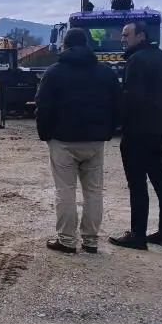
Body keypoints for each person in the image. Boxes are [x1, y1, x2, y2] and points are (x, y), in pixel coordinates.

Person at [35, 28, 121, 254]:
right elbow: (117, 105)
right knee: (94, 191)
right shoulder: (105, 73)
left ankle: (66, 240)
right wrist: (107, 131)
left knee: (65, 190)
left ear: (64, 45)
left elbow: (43, 106)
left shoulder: (54, 73)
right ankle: (91, 240)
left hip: (63, 140)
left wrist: (45, 134)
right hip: (94, 141)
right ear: (87, 44)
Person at [109, 21, 162, 251]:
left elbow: (132, 97)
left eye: (127, 34)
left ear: (141, 35)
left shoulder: (137, 60)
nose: (123, 39)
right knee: (161, 181)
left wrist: (116, 118)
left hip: (137, 130)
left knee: (137, 183)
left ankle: (137, 234)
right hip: (159, 129)